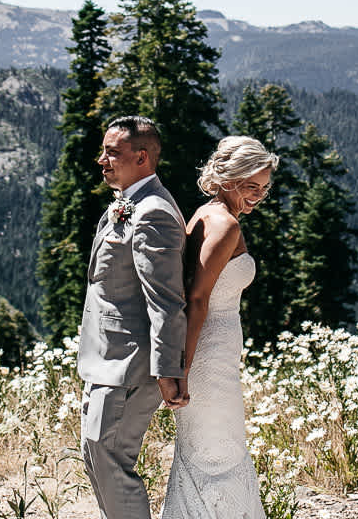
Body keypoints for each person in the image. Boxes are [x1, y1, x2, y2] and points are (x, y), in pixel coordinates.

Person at [160, 135, 278, 519]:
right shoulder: (225, 225)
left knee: (206, 451)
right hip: (207, 360)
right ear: (228, 179)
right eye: (250, 186)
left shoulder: (205, 214)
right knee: (218, 453)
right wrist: (182, 369)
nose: (258, 196)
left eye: (264, 187)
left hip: (213, 356)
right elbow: (196, 298)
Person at [78, 116, 189, 519]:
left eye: (112, 153)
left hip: (130, 363)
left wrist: (167, 369)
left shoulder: (153, 211)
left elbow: (165, 299)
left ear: (142, 157)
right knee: (95, 455)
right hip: (106, 359)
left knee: (108, 456)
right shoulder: (130, 200)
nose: (101, 161)